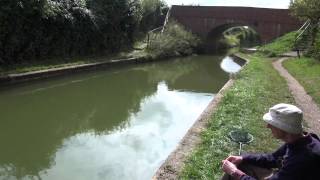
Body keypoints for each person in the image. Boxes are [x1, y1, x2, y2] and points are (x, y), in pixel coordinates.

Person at [221, 103, 320, 180]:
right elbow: (273, 158)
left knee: (234, 173)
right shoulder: (299, 140)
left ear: (284, 128)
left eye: (272, 124)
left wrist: (235, 172)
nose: (267, 126)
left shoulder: (302, 158)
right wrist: (242, 158)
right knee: (243, 163)